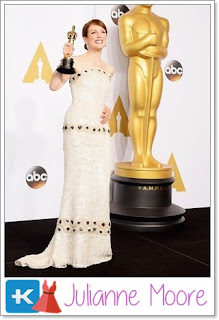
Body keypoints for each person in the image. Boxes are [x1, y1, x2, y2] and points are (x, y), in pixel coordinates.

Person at [15, 19, 115, 269]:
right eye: (93, 32)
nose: (99, 35)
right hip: (77, 130)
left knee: (98, 187)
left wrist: (108, 110)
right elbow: (54, 85)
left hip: (100, 132)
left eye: (102, 32)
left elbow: (99, 97)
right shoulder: (76, 61)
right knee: (78, 186)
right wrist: (63, 59)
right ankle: (73, 249)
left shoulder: (109, 68)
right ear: (85, 39)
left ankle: (93, 249)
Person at [118, 5, 169, 168]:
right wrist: (148, 40)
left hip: (156, 69)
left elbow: (163, 51)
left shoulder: (162, 21)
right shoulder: (128, 18)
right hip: (139, 67)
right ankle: (139, 155)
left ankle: (148, 154)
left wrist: (149, 49)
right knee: (139, 109)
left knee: (152, 112)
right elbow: (127, 49)